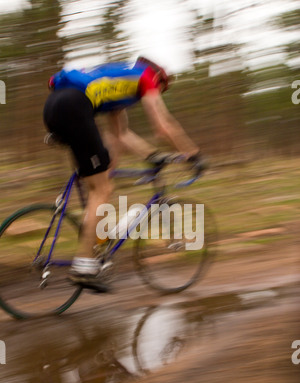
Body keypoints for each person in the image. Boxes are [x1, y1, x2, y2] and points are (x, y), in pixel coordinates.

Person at [43, 56, 202, 292]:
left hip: (54, 108)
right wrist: (192, 154)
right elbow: (163, 125)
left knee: (102, 184)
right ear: (158, 79)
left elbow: (120, 136)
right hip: (74, 108)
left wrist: (151, 155)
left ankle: (97, 244)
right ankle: (83, 268)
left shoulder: (119, 81)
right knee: (102, 190)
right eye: (161, 89)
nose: (157, 93)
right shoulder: (147, 78)